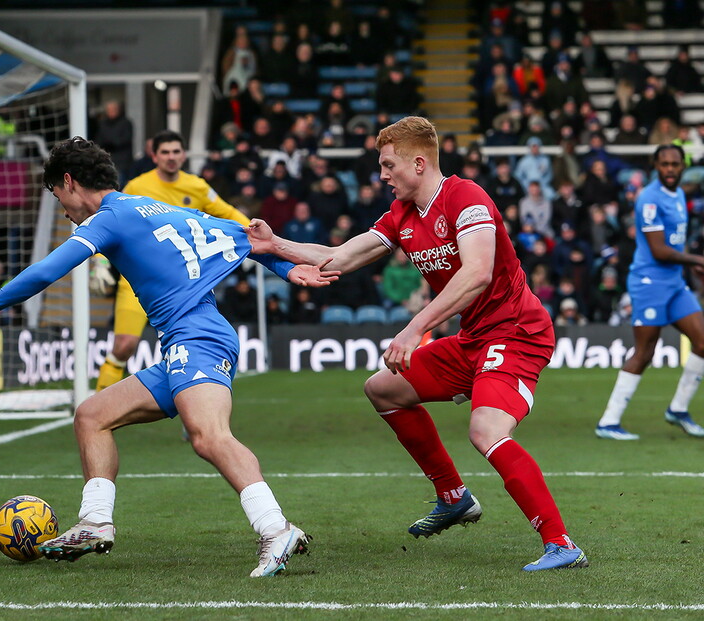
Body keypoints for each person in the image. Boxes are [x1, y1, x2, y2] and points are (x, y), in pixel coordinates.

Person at [0, 137, 339, 576]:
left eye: (57, 194)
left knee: (208, 435)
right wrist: (288, 267)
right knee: (91, 416)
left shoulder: (108, 219)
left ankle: (275, 528)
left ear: (70, 182)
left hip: (198, 336)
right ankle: (95, 521)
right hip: (185, 340)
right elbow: (251, 241)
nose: (62, 208)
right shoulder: (158, 208)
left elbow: (47, 270)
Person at [246, 116, 588, 571]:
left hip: (516, 334)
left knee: (485, 431)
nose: (382, 175)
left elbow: (477, 272)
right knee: (382, 388)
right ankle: (454, 497)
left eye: (388, 165)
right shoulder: (403, 213)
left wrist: (413, 328)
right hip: (474, 340)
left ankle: (562, 544)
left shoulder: (466, 198)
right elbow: (340, 257)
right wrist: (275, 246)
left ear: (420, 163)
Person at [94, 130, 252, 392]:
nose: (171, 157)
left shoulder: (197, 186)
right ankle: (97, 405)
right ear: (154, 156)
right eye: (165, 152)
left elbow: (228, 212)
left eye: (176, 151)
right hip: (137, 282)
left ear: (184, 155)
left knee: (192, 352)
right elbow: (109, 222)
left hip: (186, 284)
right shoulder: (137, 187)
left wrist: (256, 234)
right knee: (124, 345)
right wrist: (99, 263)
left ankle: (196, 420)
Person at [595, 145, 704, 441]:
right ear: (655, 165)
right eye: (665, 164)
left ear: (683, 166)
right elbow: (658, 249)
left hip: (674, 283)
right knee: (644, 353)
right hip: (649, 284)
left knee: (703, 341)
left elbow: (673, 244)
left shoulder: (679, 194)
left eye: (675, 164)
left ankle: (678, 409)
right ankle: (608, 421)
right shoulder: (650, 199)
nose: (670, 169)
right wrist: (696, 260)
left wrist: (689, 265)